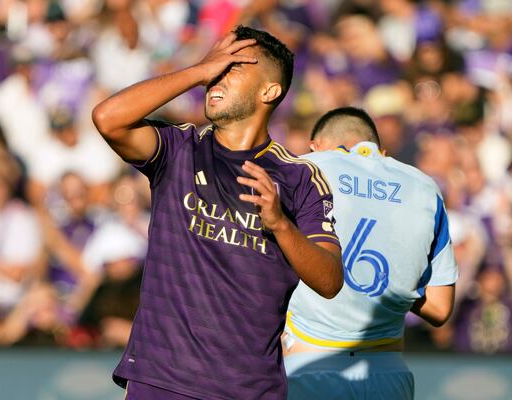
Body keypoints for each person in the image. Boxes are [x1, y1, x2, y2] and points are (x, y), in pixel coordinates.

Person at [92, 25, 343, 400]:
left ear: (269, 91)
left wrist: (280, 225)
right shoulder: (179, 149)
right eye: (216, 65)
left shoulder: (299, 177)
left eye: (233, 67)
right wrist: (197, 70)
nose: (217, 75)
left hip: (247, 389)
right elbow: (108, 118)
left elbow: (329, 280)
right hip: (161, 379)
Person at [283, 107, 458, 400]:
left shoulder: (304, 167)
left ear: (316, 145)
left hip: (310, 363)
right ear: (381, 151)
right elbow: (440, 308)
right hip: (389, 372)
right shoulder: (426, 188)